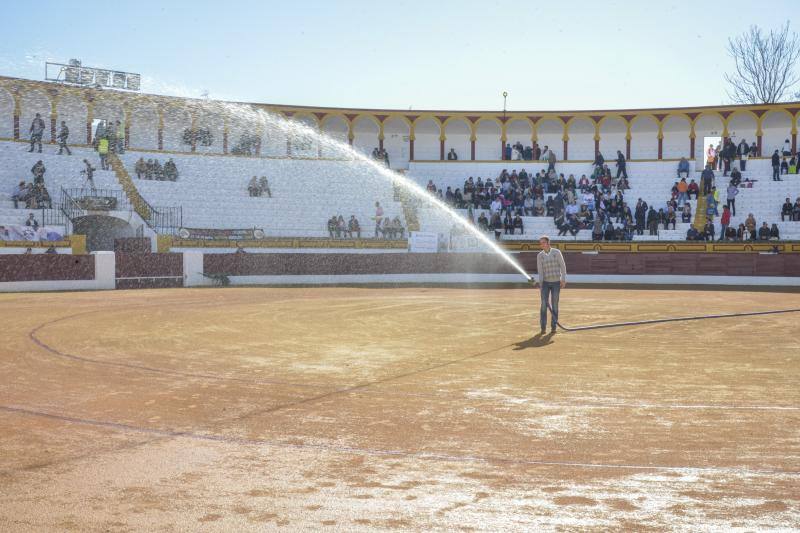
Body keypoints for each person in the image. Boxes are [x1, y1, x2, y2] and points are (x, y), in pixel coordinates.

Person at [533, 235, 566, 335]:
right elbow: (540, 271)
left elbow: (562, 266)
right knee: (543, 305)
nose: (541, 244)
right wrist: (541, 284)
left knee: (555, 305)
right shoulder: (540, 256)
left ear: (548, 243)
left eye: (543, 242)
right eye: (540, 243)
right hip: (546, 283)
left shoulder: (557, 252)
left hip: (556, 282)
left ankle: (553, 326)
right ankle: (543, 327)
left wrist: (563, 279)